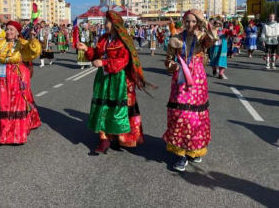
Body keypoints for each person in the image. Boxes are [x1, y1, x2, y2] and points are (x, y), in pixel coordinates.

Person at [77, 11, 150, 153]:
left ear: (116, 24)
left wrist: (103, 62)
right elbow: (96, 55)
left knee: (116, 109)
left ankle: (116, 136)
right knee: (102, 107)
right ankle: (104, 138)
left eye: (108, 21)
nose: (105, 24)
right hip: (103, 79)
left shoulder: (124, 40)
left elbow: (123, 60)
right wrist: (86, 49)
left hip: (118, 79)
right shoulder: (104, 38)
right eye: (106, 21)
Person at [163, 9, 217, 172]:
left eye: (194, 21)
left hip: (197, 80)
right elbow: (168, 60)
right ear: (183, 21)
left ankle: (194, 149)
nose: (190, 24)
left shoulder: (202, 37)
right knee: (180, 114)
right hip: (180, 78)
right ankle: (181, 154)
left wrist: (204, 20)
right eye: (187, 21)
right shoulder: (176, 39)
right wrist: (171, 65)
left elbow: (213, 38)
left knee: (196, 116)